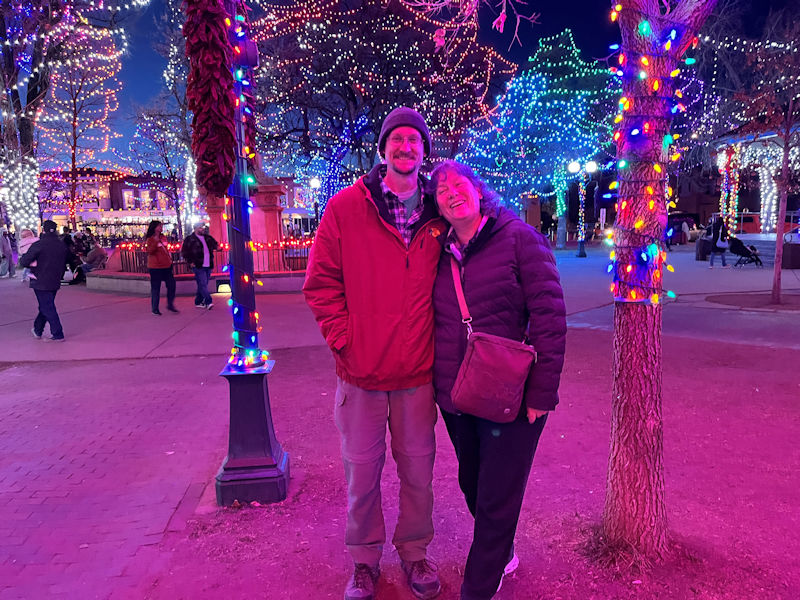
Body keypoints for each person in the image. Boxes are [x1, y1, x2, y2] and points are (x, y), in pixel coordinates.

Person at [303, 107, 445, 600]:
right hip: (360, 374)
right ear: (383, 150)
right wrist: (346, 340)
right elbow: (320, 284)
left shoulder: (439, 212)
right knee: (361, 476)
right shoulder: (346, 207)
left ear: (424, 151)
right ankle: (364, 560)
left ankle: (415, 552)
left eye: (414, 140)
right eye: (397, 139)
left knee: (418, 475)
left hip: (418, 374)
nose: (406, 147)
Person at [430, 161, 566, 600]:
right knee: (472, 482)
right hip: (458, 394)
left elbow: (549, 319)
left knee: (495, 496)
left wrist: (542, 393)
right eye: (442, 191)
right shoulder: (439, 253)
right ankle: (502, 549)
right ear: (437, 207)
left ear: (478, 189)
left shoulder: (519, 238)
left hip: (513, 395)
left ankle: (479, 586)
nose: (452, 193)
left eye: (459, 184)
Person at [18, 220, 68, 342]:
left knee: (47, 307)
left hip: (40, 279)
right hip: (55, 279)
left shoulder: (39, 245)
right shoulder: (60, 245)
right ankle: (38, 329)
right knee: (46, 305)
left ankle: (58, 333)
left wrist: (25, 259)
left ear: (44, 230)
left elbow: (24, 261)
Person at [181, 222, 219, 309]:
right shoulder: (190, 239)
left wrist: (217, 247)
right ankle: (208, 301)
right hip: (198, 264)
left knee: (202, 284)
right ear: (196, 228)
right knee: (203, 284)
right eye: (200, 228)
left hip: (208, 264)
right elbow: (185, 252)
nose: (203, 229)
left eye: (203, 227)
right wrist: (190, 262)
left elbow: (215, 244)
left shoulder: (207, 238)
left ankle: (198, 301)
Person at [145, 220, 178, 315]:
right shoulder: (150, 239)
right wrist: (155, 241)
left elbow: (166, 250)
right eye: (159, 226)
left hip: (166, 266)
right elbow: (150, 251)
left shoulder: (163, 237)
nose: (161, 227)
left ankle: (170, 304)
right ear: (155, 227)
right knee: (156, 288)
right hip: (155, 267)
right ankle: (155, 308)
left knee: (171, 285)